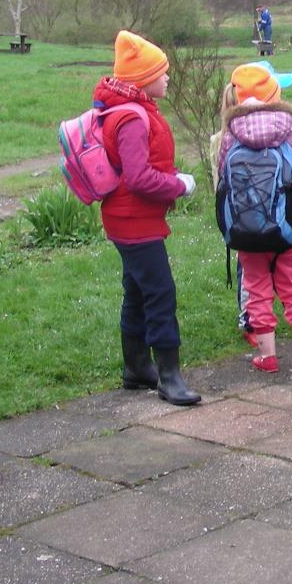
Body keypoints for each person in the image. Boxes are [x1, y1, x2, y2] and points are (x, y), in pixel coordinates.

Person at [95, 30, 200, 406]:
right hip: (134, 220)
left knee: (138, 290)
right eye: (161, 72)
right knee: (160, 293)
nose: (168, 77)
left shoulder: (129, 109)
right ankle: (169, 377)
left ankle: (137, 367)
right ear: (143, 79)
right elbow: (138, 178)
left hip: (128, 218)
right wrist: (179, 185)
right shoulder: (132, 118)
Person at [217, 62, 292, 373]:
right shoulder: (289, 131)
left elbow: (223, 179)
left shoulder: (230, 134)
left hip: (245, 230)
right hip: (284, 228)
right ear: (274, 96)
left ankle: (268, 357)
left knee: (257, 289)